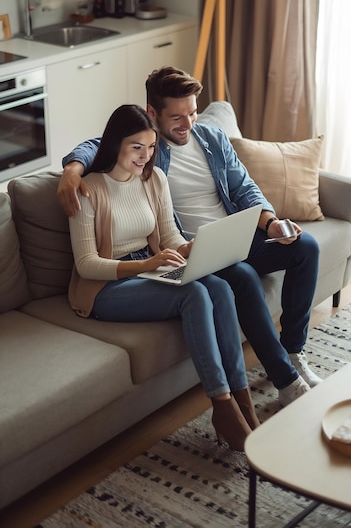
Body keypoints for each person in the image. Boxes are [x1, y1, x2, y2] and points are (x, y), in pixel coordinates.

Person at [58, 66, 322, 407]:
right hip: (194, 248)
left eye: (193, 112)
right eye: (177, 117)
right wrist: (72, 168)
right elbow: (100, 145)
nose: (188, 124)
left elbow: (243, 188)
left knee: (305, 247)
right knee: (238, 277)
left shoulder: (212, 139)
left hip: (233, 235)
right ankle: (286, 382)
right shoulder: (149, 153)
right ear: (153, 113)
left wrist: (270, 223)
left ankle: (292, 351)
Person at [66, 103, 260, 453]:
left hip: (150, 267)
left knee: (217, 286)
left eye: (151, 146)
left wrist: (193, 248)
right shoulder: (88, 189)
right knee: (194, 295)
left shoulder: (155, 180)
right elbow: (86, 264)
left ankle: (243, 399)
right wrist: (146, 265)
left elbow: (169, 237)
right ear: (115, 145)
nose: (145, 156)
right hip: (105, 288)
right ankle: (222, 404)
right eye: (136, 147)